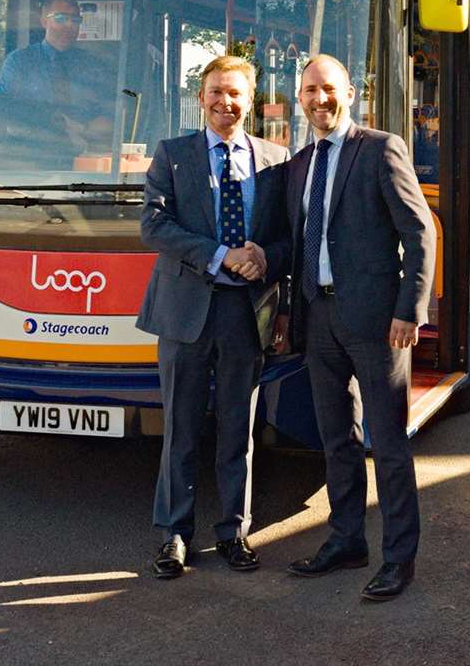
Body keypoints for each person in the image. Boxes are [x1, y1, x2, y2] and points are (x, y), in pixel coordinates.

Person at [283, 54, 436, 602]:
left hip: (376, 323)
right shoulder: (301, 163)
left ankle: (399, 558)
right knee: (336, 440)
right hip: (317, 317)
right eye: (309, 90)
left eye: (328, 89)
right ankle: (347, 540)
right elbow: (294, 241)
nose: (319, 99)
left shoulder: (380, 148)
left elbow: (420, 232)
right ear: (298, 97)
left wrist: (409, 309)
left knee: (388, 443)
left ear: (350, 92)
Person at [137, 55, 291, 580]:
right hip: (185, 311)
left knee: (237, 427)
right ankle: (175, 535)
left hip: (246, 312)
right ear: (201, 98)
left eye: (236, 94)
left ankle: (234, 532)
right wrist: (219, 254)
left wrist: (265, 255)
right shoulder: (173, 155)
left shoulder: (276, 159)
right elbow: (154, 226)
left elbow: (290, 235)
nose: (226, 102)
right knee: (180, 426)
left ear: (252, 101)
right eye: (216, 92)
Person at [0, 0, 117, 137]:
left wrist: (83, 129)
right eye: (60, 18)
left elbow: (111, 116)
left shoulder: (93, 66)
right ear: (43, 21)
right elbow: (4, 111)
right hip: (30, 151)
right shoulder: (19, 62)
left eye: (75, 20)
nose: (69, 25)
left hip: (85, 149)